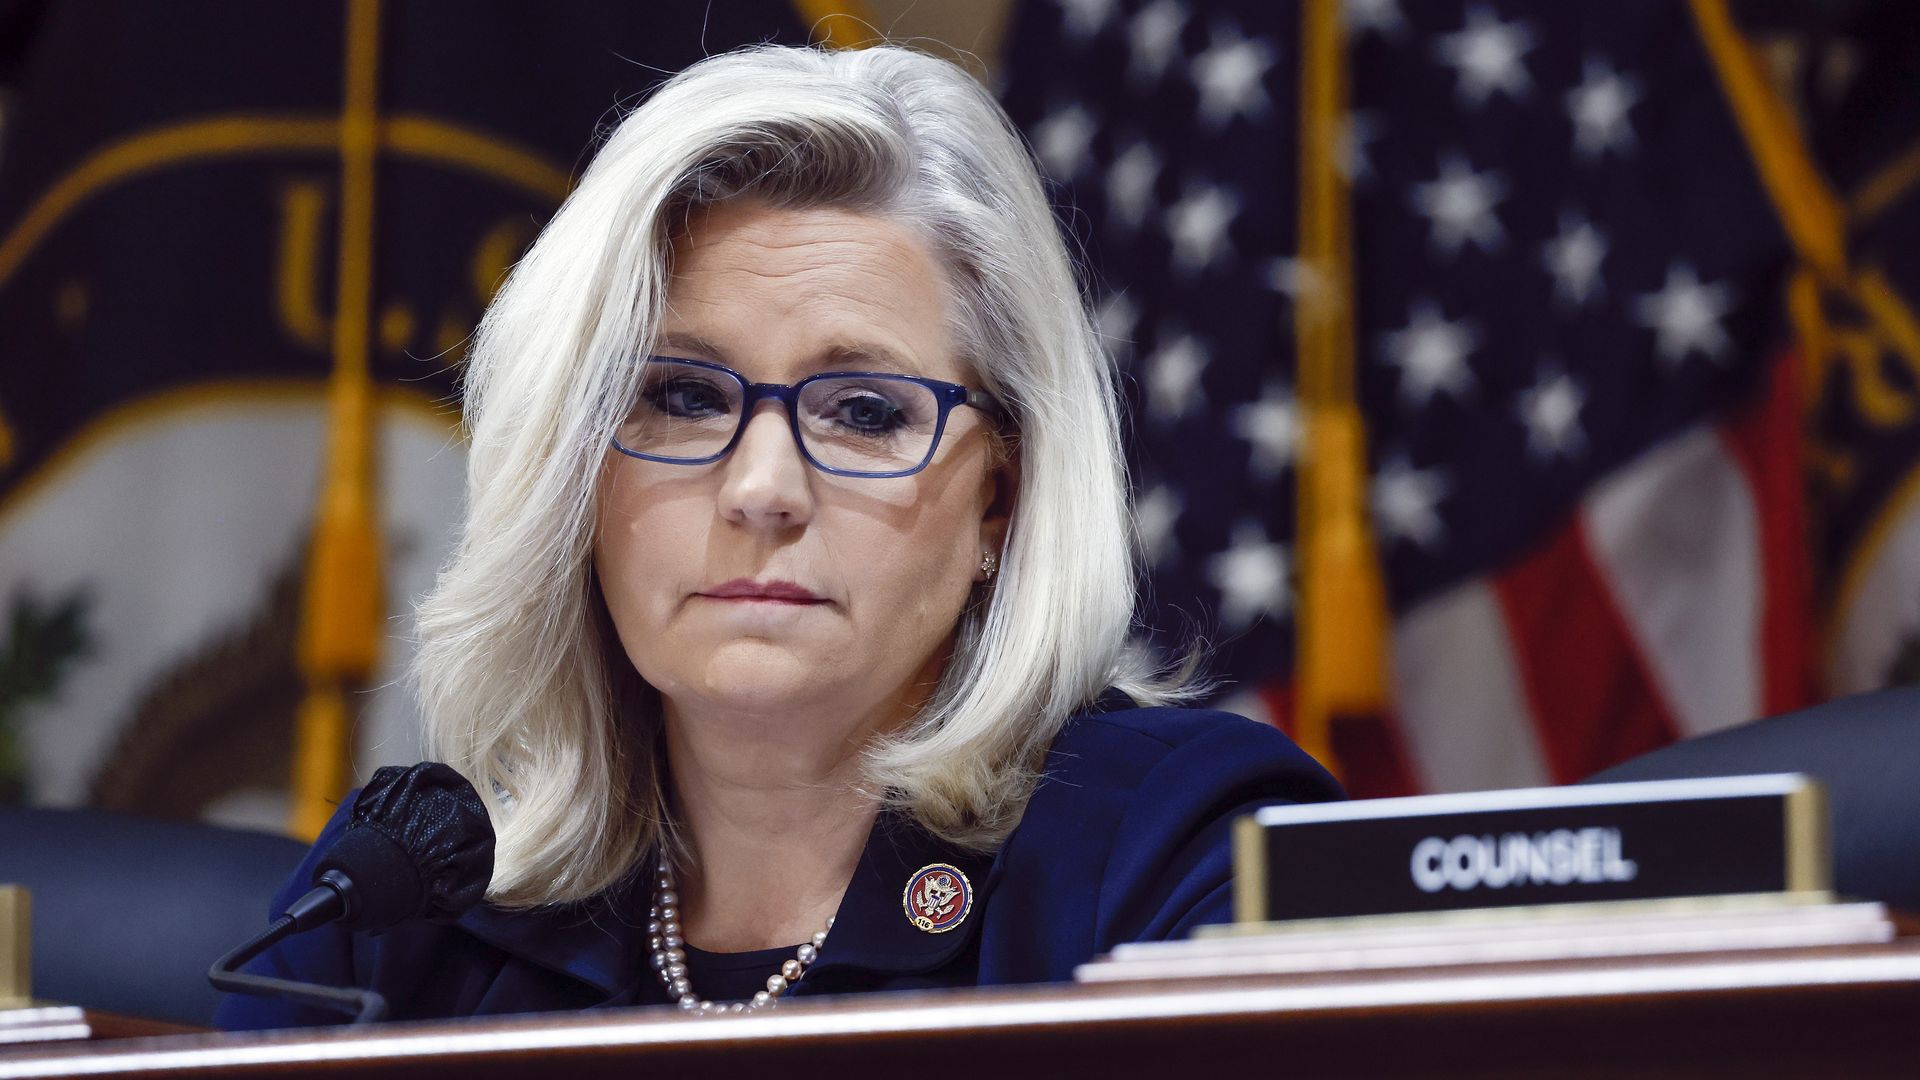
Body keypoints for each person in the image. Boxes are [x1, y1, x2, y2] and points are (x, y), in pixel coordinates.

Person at [216, 42, 1341, 1030]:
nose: (762, 489)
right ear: (571, 470)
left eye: (863, 412)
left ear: (1002, 497)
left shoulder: (1179, 860)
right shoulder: (412, 904)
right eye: (682, 397)